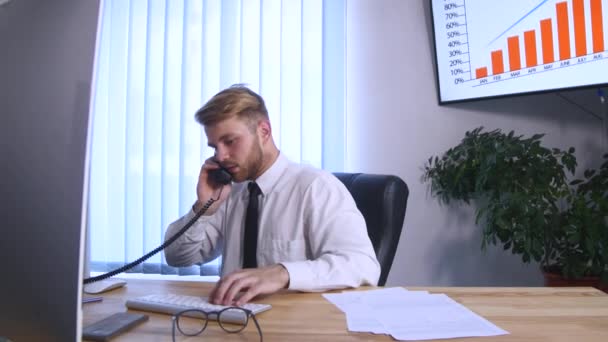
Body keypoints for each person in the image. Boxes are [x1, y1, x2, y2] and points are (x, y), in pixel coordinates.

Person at [164, 84, 380, 306]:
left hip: (292, 326)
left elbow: (362, 265)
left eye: (229, 141)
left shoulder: (316, 187)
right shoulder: (229, 193)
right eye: (214, 147)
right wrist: (204, 208)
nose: (221, 156)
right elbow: (177, 257)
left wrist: (282, 273)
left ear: (264, 132)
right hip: (231, 320)